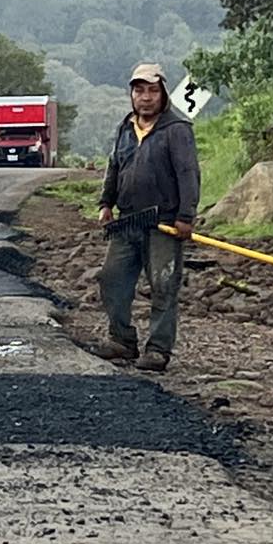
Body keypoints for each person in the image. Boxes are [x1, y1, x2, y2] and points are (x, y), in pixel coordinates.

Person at [96, 63, 201, 373]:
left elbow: (188, 174)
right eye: (139, 90)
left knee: (163, 285)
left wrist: (186, 216)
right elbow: (114, 166)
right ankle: (122, 340)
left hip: (164, 223)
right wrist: (106, 202)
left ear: (163, 94)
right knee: (112, 278)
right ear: (131, 94)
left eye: (152, 91)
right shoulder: (125, 128)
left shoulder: (177, 130)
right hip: (128, 220)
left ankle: (157, 350)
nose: (145, 97)